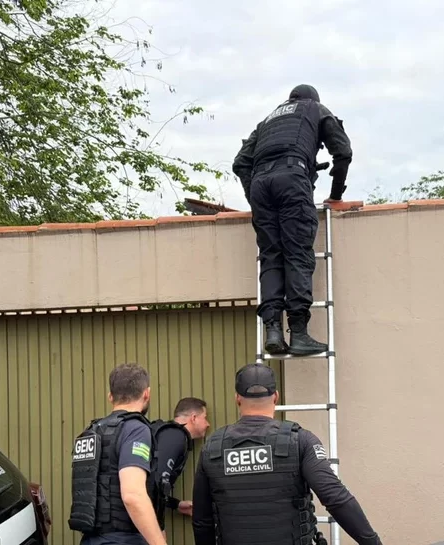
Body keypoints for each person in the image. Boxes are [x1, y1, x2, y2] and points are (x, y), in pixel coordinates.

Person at [191, 363, 383, 545]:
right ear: (276, 396)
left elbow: (202, 520)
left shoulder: (212, 447)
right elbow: (336, 498)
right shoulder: (301, 440)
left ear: (237, 398)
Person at [231, 84, 352, 357]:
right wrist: (335, 194)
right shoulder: (315, 109)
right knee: (297, 254)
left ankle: (273, 331)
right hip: (292, 179)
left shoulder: (267, 121)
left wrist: (256, 201)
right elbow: (343, 152)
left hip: (260, 186)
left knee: (272, 256)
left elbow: (240, 163)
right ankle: (299, 334)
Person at [67, 363, 167, 545]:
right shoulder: (135, 429)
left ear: (110, 397)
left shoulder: (92, 431)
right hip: (123, 539)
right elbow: (133, 495)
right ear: (147, 394)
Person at [149, 397, 211, 528]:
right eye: (205, 418)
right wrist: (158, 529)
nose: (208, 424)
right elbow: (156, 484)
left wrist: (176, 504)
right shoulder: (176, 436)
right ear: (194, 418)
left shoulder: (171, 435)